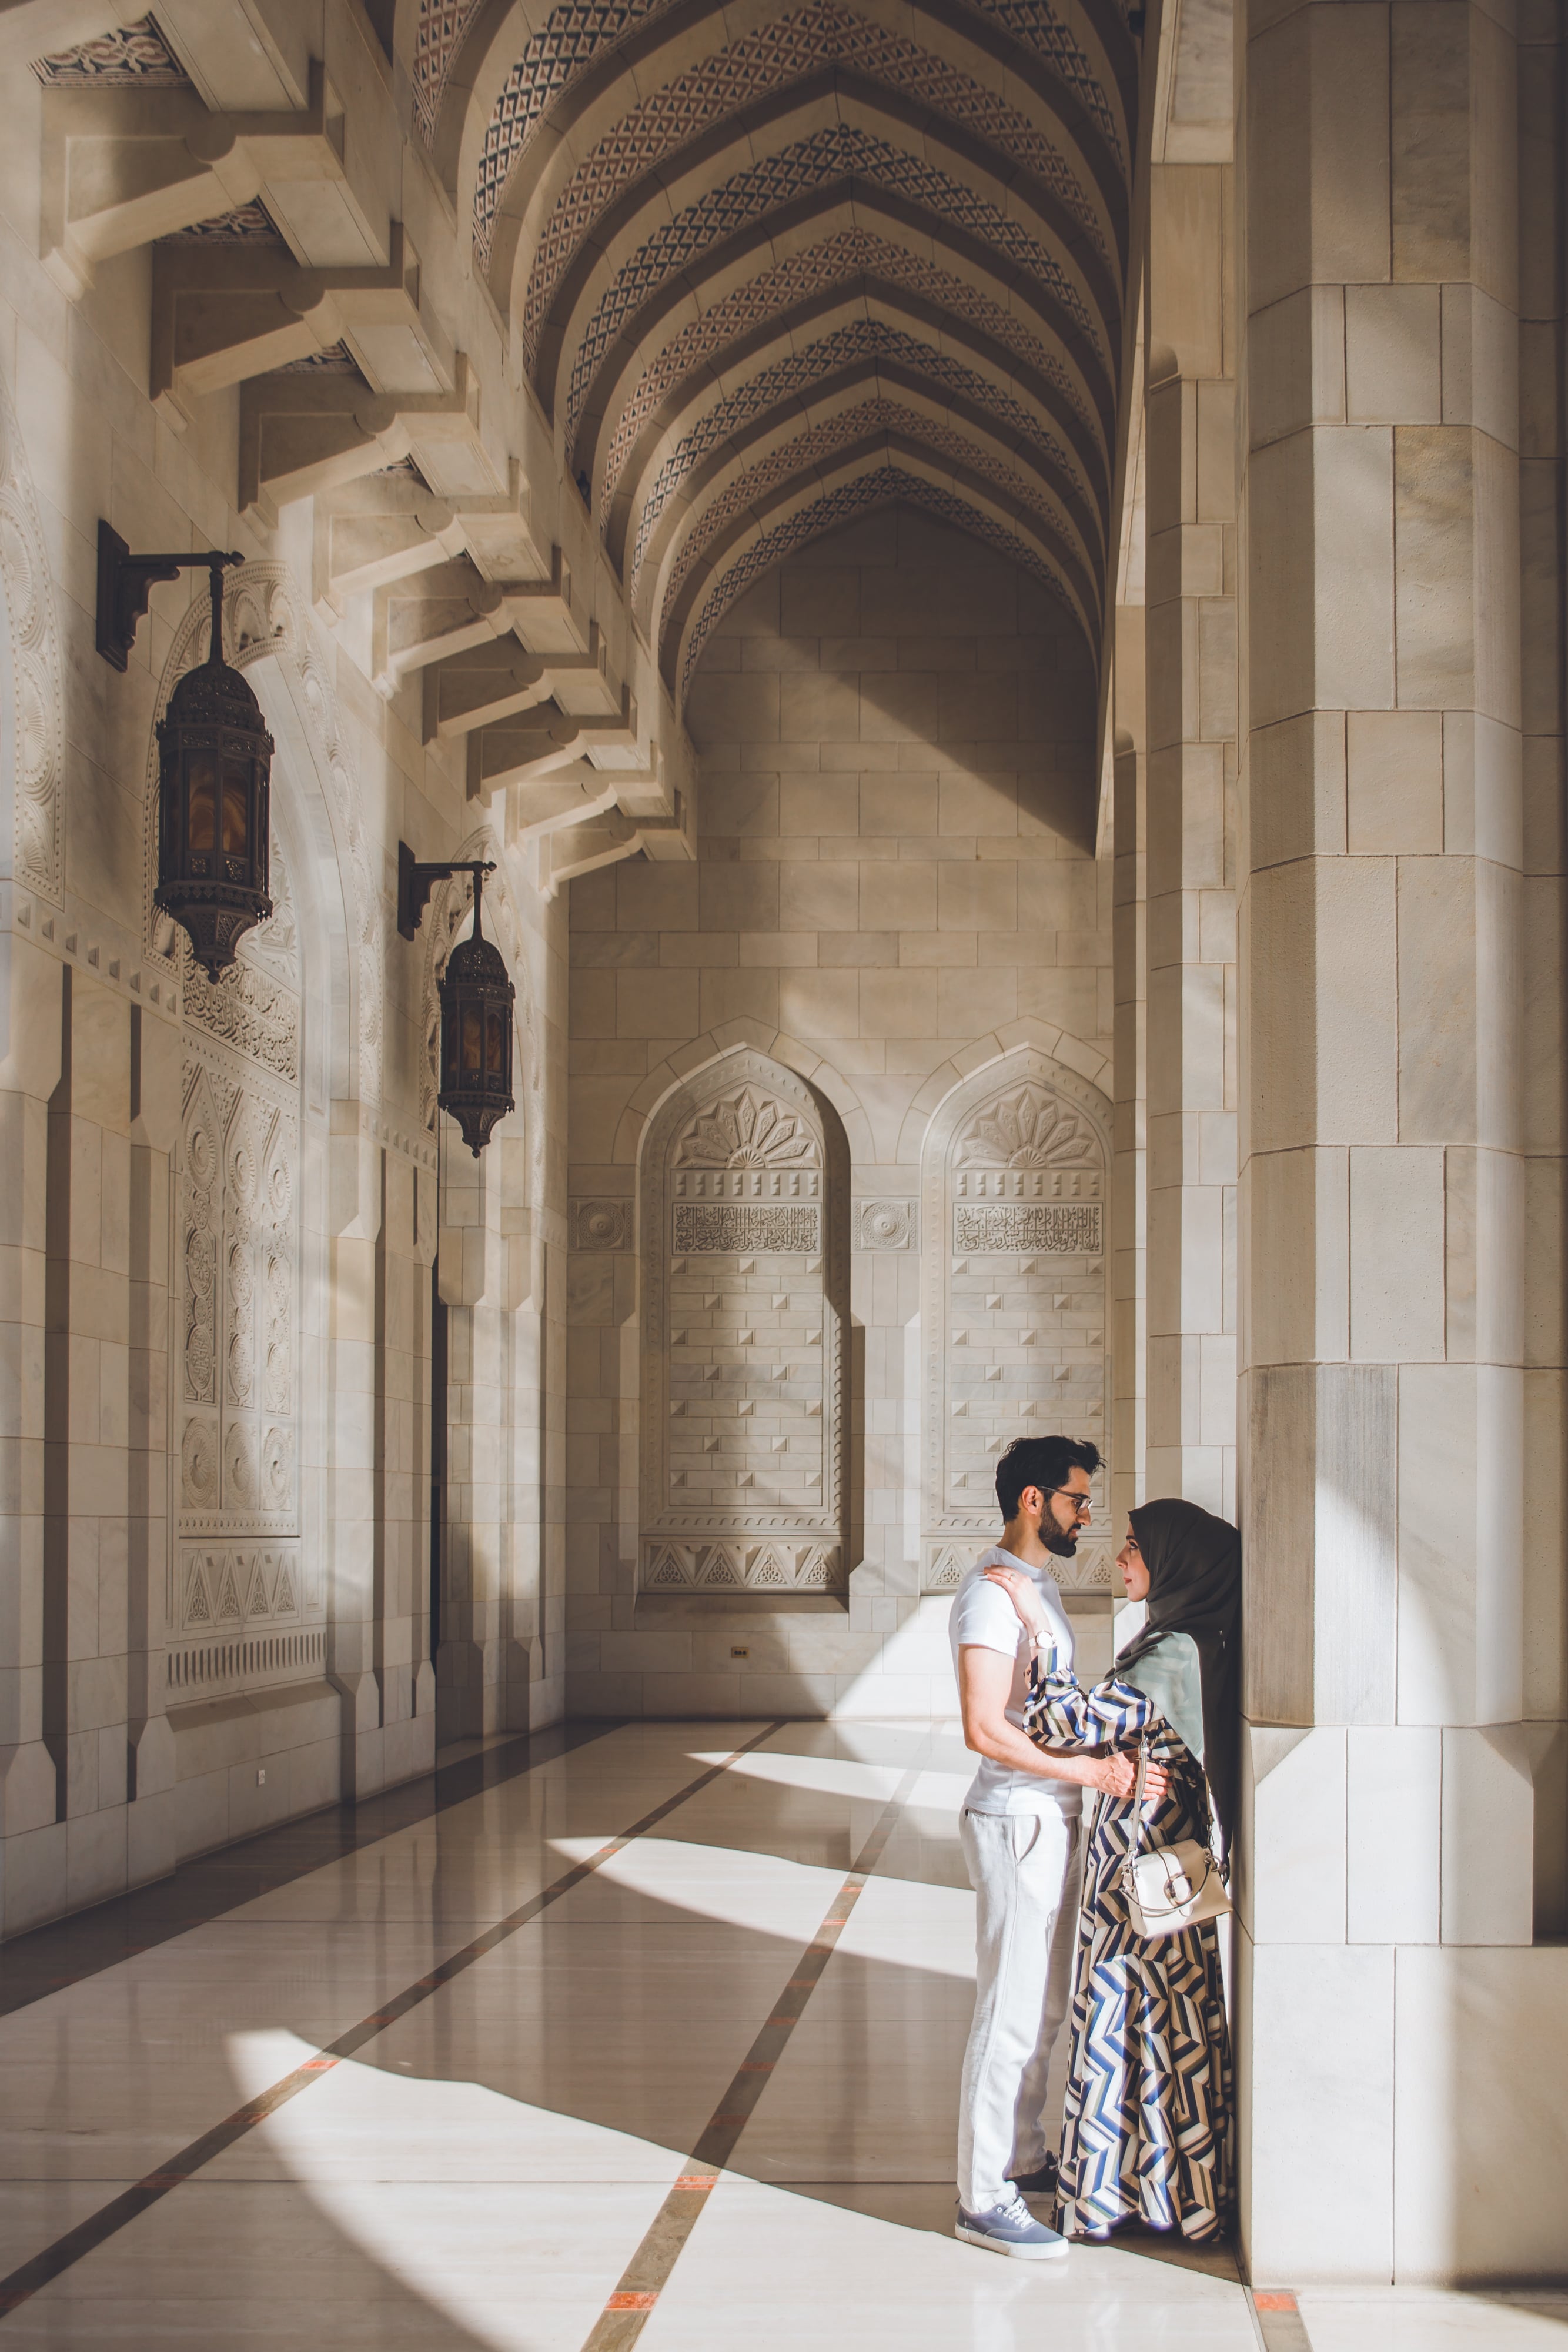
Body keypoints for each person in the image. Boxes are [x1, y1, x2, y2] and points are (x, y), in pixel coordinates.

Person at [985, 1496, 1241, 2244]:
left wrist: (1040, 1629)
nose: (1120, 1559)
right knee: (1160, 2030)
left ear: (1178, 1563)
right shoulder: (1189, 1637)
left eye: (1134, 1547)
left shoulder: (1173, 1652)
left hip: (1141, 1878)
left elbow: (1060, 1724)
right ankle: (1170, 2198)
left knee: (1129, 2017)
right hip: (1158, 1869)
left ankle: (1114, 2198)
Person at [948, 1436, 1170, 2261]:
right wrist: (1090, 1771)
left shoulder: (1033, 1586)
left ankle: (1020, 2153)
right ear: (1033, 1500)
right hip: (1014, 1821)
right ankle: (981, 2197)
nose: (1087, 1515)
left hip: (1051, 1815)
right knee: (1007, 2011)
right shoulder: (989, 1596)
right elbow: (982, 1727)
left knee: (1040, 2010)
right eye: (1077, 1500)